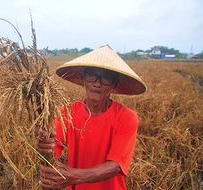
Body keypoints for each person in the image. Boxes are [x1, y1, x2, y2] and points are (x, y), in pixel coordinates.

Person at [37, 45, 147, 190]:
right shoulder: (67, 113)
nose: (97, 83)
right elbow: (51, 150)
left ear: (114, 84)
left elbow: (115, 165)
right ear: (83, 78)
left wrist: (73, 176)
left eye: (106, 78)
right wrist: (43, 144)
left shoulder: (126, 117)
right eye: (91, 76)